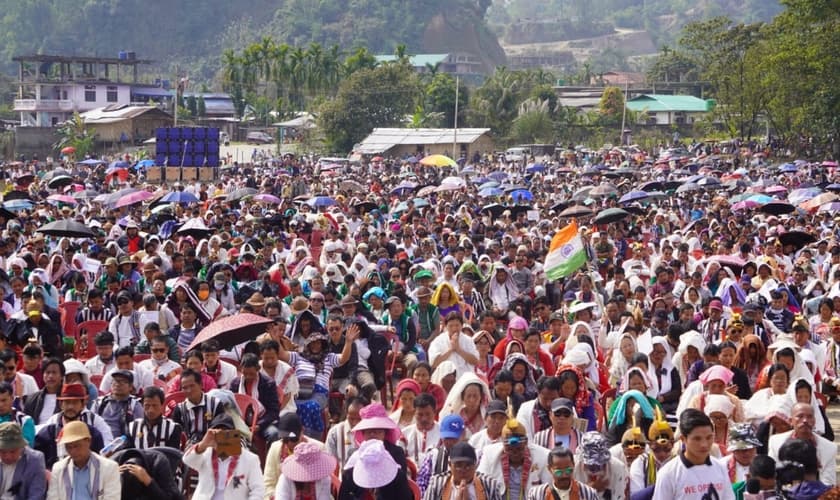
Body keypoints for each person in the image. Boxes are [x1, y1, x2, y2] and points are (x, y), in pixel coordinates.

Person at [651, 408, 734, 500]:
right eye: (697, 439)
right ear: (683, 439)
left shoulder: (720, 467)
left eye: (709, 437)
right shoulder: (669, 473)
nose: (704, 444)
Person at [182, 414, 265, 500]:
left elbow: (258, 490)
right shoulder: (206, 453)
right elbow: (187, 460)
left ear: (234, 434)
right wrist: (202, 445)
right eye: (217, 433)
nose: (222, 437)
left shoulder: (250, 459)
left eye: (226, 432)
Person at [476, 414, 551, 500]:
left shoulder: (543, 456)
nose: (514, 452)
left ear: (526, 442)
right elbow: (479, 483)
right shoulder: (490, 454)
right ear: (503, 444)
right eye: (510, 449)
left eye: (519, 448)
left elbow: (549, 489)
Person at [35, 383, 109, 468]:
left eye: (75, 402)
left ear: (82, 405)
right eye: (67, 402)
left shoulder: (93, 434)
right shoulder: (47, 434)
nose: (70, 407)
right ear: (61, 404)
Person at [46, 420, 121, 500]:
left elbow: (112, 497)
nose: (73, 451)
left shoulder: (109, 468)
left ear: (88, 441)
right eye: (68, 447)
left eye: (77, 446)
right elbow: (52, 497)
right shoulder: (58, 468)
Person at [768, 402, 836, 486]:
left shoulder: (829, 448)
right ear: (791, 421)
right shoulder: (776, 442)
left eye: (809, 417)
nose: (805, 421)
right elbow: (771, 475)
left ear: (814, 421)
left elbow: (828, 482)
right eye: (800, 416)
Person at [263, 413, 326, 498]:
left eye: (293, 439)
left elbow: (323, 486)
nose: (289, 443)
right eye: (285, 439)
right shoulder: (275, 449)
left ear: (302, 432)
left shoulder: (319, 449)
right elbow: (268, 484)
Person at [229, 353, 281, 445]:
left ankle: (268, 458)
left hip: (262, 422)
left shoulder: (268, 384)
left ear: (258, 369)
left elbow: (274, 411)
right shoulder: (235, 384)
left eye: (251, 374)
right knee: (224, 433)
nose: (248, 377)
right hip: (240, 422)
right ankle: (233, 459)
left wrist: (259, 425)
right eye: (245, 373)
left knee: (273, 433)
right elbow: (231, 406)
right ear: (241, 369)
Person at [423, 442, 504, 500]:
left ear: (476, 465)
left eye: (468, 465)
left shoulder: (489, 485)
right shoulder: (437, 483)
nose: (463, 470)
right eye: (458, 465)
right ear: (450, 465)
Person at [169, 369, 226, 445]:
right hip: (188, 450)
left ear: (201, 385)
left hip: (212, 447)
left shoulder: (215, 404)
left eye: (192, 386)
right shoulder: (179, 409)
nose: (189, 390)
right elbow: (175, 436)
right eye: (185, 388)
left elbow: (224, 432)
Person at [527, 445, 600, 500]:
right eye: (559, 472)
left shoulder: (589, 494)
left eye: (568, 470)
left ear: (573, 465)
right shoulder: (537, 495)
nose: (564, 475)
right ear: (549, 469)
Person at [111, 447, 183, 500]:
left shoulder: (159, 462)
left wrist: (148, 481)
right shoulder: (112, 464)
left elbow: (169, 497)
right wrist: (111, 480)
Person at [91, 369, 144, 438]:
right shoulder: (99, 403)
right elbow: (91, 425)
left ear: (131, 387)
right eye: (115, 381)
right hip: (100, 443)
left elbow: (139, 430)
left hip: (125, 445)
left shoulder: (135, 405)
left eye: (122, 382)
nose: (117, 384)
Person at [0, 422, 47, 500]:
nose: (8, 456)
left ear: (21, 447)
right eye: (3, 452)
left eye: (13, 451)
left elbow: (36, 495)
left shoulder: (35, 460)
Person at [326, 397, 366, 470]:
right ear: (346, 414)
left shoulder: (371, 433)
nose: (355, 423)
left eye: (359, 419)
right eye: (351, 418)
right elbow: (330, 462)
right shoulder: (335, 433)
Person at [402, 393, 440, 465]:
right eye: (420, 414)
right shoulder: (405, 434)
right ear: (414, 413)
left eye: (428, 414)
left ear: (434, 412)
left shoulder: (443, 433)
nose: (424, 419)